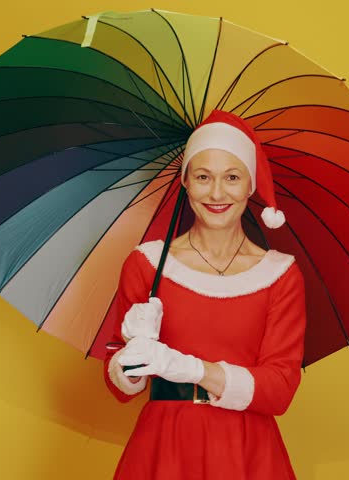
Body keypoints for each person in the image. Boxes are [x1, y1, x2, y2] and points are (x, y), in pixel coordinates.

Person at [102, 110, 307, 479]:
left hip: (248, 453)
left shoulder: (280, 275)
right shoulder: (147, 264)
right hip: (163, 448)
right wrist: (133, 358)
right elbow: (119, 385)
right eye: (202, 177)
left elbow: (279, 390)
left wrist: (188, 367)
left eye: (231, 177)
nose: (216, 193)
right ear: (185, 182)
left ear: (250, 185)